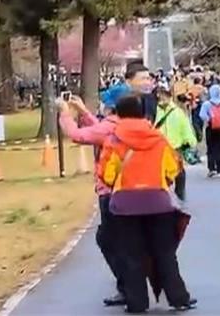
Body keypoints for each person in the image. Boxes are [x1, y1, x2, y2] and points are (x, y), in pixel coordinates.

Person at [98, 93, 195, 314]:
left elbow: (106, 173)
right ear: (143, 113)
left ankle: (137, 302)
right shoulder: (158, 139)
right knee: (165, 252)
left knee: (130, 255)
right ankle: (179, 298)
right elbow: (173, 169)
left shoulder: (113, 140)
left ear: (119, 114)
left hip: (124, 205)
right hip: (158, 203)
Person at [57, 84, 130, 307]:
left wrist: (64, 113)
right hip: (131, 188)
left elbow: (77, 135)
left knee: (108, 240)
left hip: (110, 190)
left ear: (111, 107)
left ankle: (127, 286)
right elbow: (100, 131)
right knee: (125, 239)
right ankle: (132, 284)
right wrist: (84, 112)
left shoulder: (109, 126)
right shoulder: (127, 124)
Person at [154, 85, 198, 201]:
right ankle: (163, 195)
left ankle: (180, 193)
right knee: (161, 172)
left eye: (165, 96)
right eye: (160, 96)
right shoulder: (154, 112)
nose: (162, 99)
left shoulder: (177, 112)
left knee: (179, 171)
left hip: (175, 147)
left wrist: (189, 141)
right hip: (158, 147)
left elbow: (185, 128)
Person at [199, 84, 220, 177]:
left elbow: (202, 115)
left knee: (210, 148)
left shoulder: (206, 104)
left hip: (210, 128)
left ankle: (211, 168)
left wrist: (210, 119)